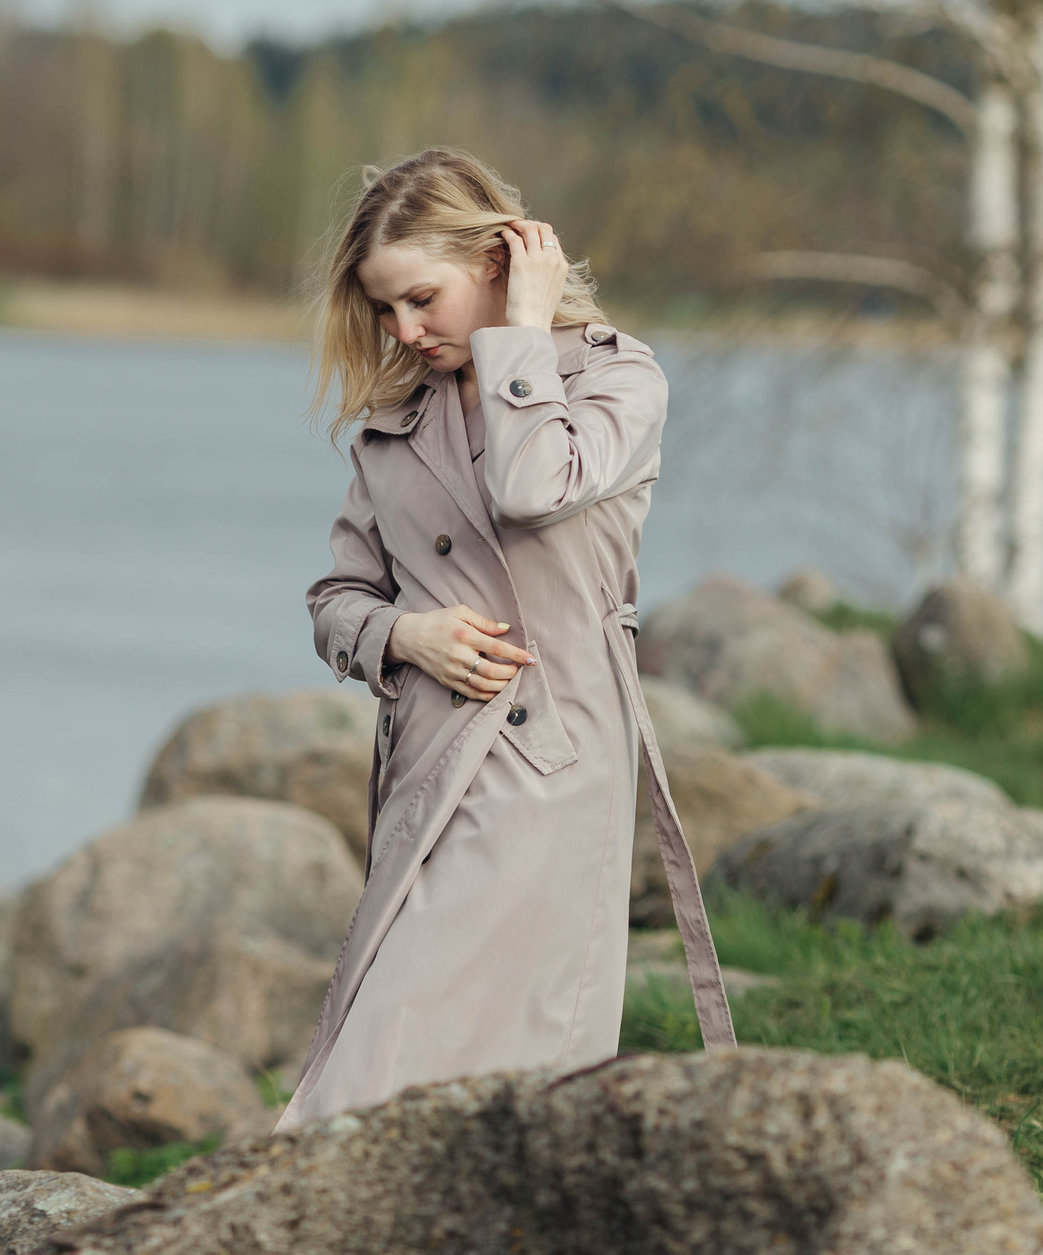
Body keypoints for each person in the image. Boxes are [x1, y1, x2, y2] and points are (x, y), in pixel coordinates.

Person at [274, 145, 733, 1131]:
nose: (403, 330)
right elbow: (334, 598)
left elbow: (535, 485)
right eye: (383, 309)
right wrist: (405, 635)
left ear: (496, 261)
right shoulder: (397, 421)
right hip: (430, 770)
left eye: (420, 299)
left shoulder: (619, 380)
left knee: (480, 1085)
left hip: (550, 772)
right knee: (375, 1079)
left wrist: (522, 334)